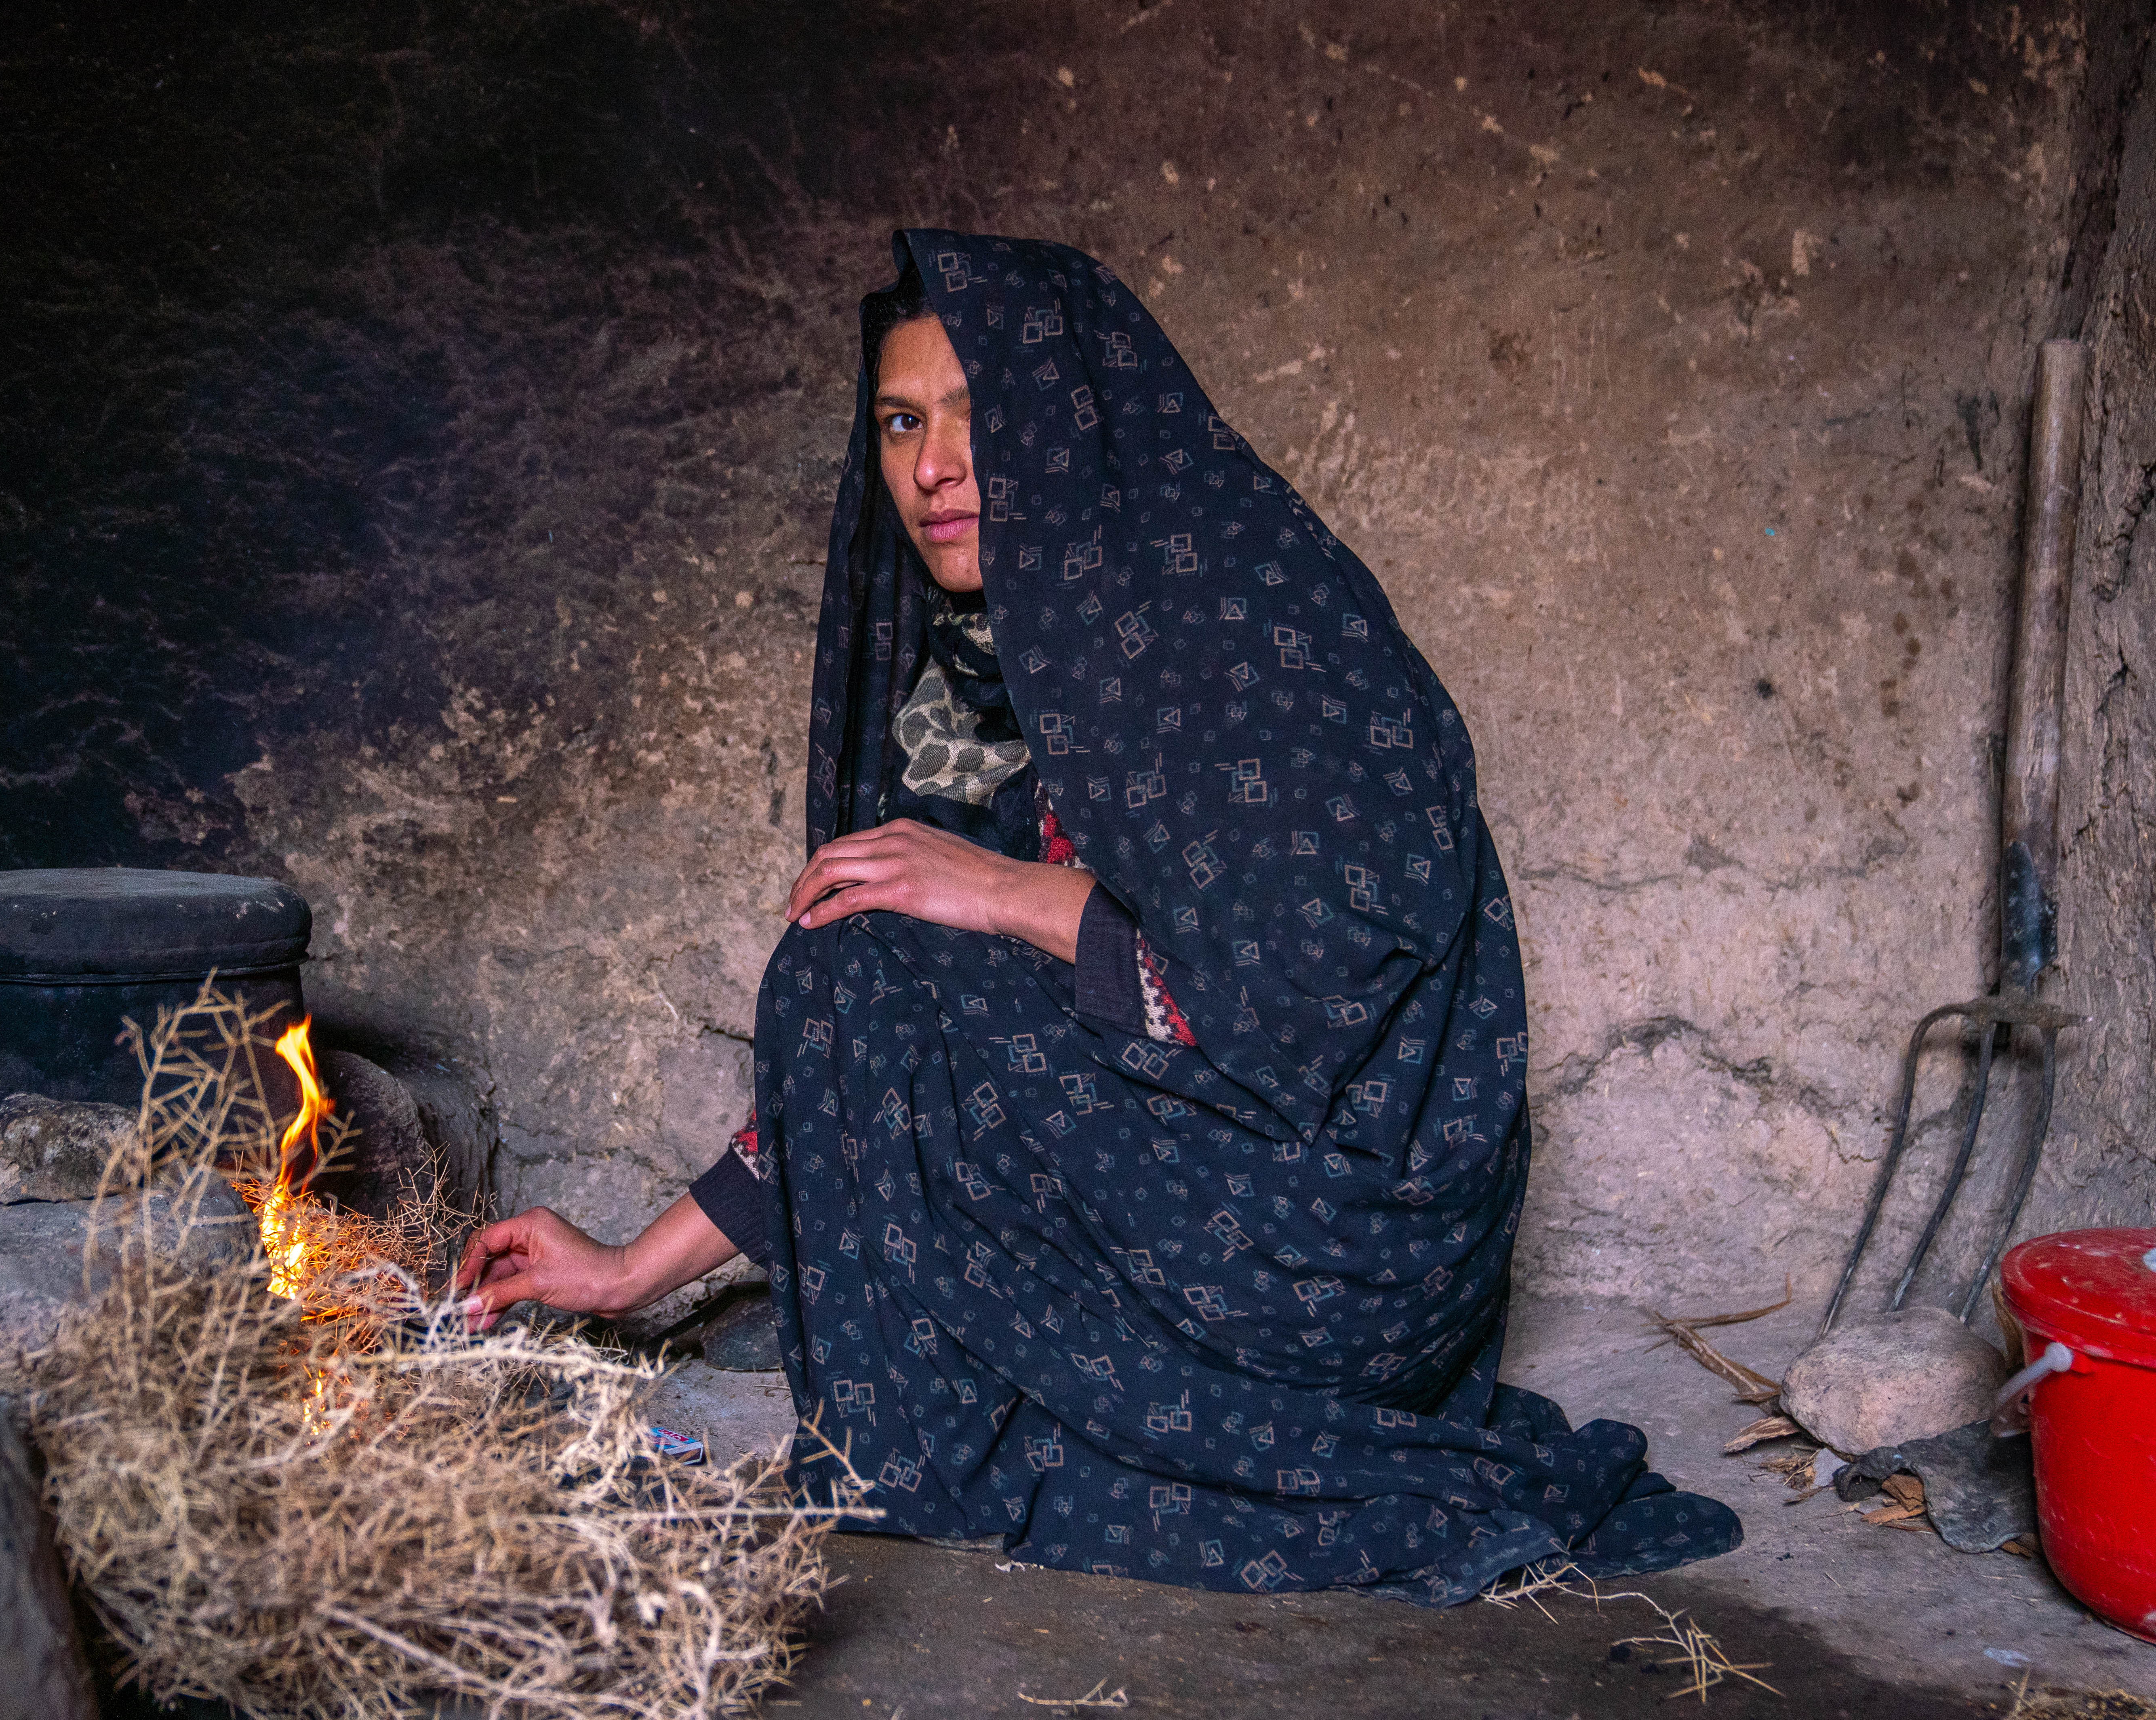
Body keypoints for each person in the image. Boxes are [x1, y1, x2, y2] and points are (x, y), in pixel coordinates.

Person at [453, 230, 1739, 1600]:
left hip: (1346, 1251)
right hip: (1190, 1211)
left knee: (902, 932)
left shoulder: (1258, 626)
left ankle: (1139, 1423)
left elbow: (1316, 1000)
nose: (935, 468)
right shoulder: (995, 673)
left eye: (976, 416)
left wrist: (1006, 891)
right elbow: (883, 1039)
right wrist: (623, 1275)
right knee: (854, 955)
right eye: (901, 423)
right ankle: (997, 1429)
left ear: (1069, 433)